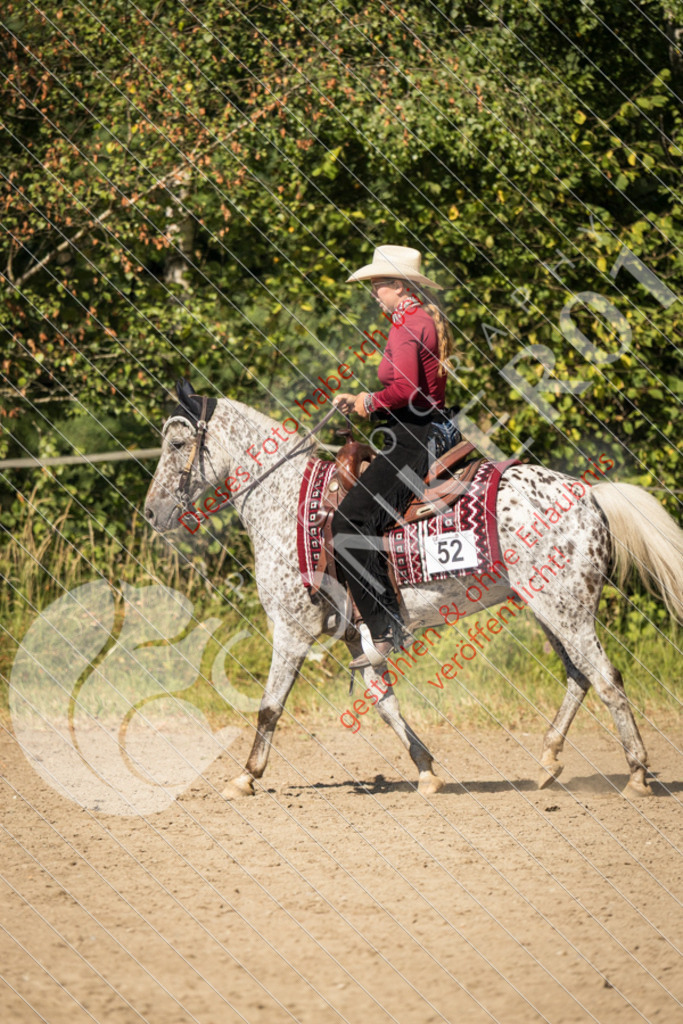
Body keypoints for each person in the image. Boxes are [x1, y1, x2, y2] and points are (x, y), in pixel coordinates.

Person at [332, 244, 457, 668]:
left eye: (377, 285)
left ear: (399, 286)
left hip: (413, 441)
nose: (373, 293)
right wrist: (363, 399)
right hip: (424, 431)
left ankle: (385, 629)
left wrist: (368, 403)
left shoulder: (405, 325)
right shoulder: (418, 319)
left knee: (346, 520)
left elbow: (404, 392)